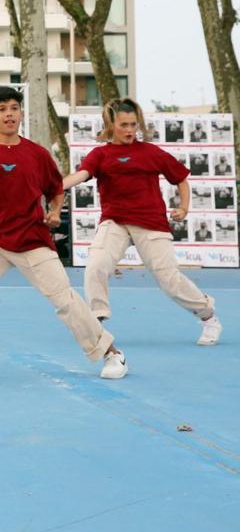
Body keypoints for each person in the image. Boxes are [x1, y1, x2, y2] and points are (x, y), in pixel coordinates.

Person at [0, 87, 127, 381]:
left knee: (65, 301)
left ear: (20, 113)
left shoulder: (38, 154)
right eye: (3, 109)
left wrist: (55, 211)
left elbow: (55, 189)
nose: (9, 114)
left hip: (33, 241)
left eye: (14, 108)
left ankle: (111, 353)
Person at [63, 98, 221, 346]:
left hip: (151, 222)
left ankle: (208, 315)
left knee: (169, 280)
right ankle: (97, 319)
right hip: (115, 222)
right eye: (124, 125)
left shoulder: (150, 152)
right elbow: (81, 175)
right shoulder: (100, 154)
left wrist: (184, 207)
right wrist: (54, 187)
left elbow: (180, 178)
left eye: (133, 125)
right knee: (96, 265)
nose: (129, 130)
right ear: (111, 124)